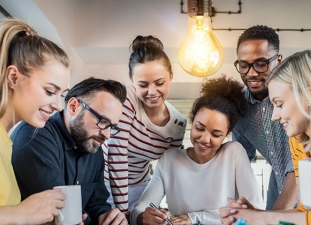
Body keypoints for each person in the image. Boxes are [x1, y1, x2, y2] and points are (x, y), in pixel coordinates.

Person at [130, 76, 264, 225]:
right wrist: (143, 217)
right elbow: (140, 208)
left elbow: (254, 211)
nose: (205, 139)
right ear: (192, 122)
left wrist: (195, 217)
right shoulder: (170, 159)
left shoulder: (233, 152)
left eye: (216, 134)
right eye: (199, 128)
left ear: (226, 135)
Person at [11, 78, 128, 225]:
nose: (107, 135)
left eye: (113, 126)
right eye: (103, 121)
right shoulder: (35, 135)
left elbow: (97, 204)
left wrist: (109, 218)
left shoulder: (93, 147)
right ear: (73, 107)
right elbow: (62, 215)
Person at [0, 18, 70, 224]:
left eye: (62, 94)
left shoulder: (3, 137)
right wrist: (20, 213)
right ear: (13, 77)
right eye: (50, 91)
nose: (58, 106)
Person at [219, 50, 311, 225]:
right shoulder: (298, 142)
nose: (274, 116)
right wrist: (255, 215)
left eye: (279, 104)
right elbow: (304, 213)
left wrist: (264, 217)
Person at [104, 35, 187, 213]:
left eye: (159, 83)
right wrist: (123, 211)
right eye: (143, 84)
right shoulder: (127, 97)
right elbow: (116, 152)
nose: (152, 92)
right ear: (133, 82)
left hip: (140, 187)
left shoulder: (178, 124)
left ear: (171, 77)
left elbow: (170, 170)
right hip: (103, 182)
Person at [232, 25, 299, 210]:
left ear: (278, 60)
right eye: (244, 65)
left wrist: (273, 217)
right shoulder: (240, 109)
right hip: (276, 194)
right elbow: (240, 161)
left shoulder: (298, 97)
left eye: (261, 63)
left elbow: (297, 164)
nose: (251, 73)